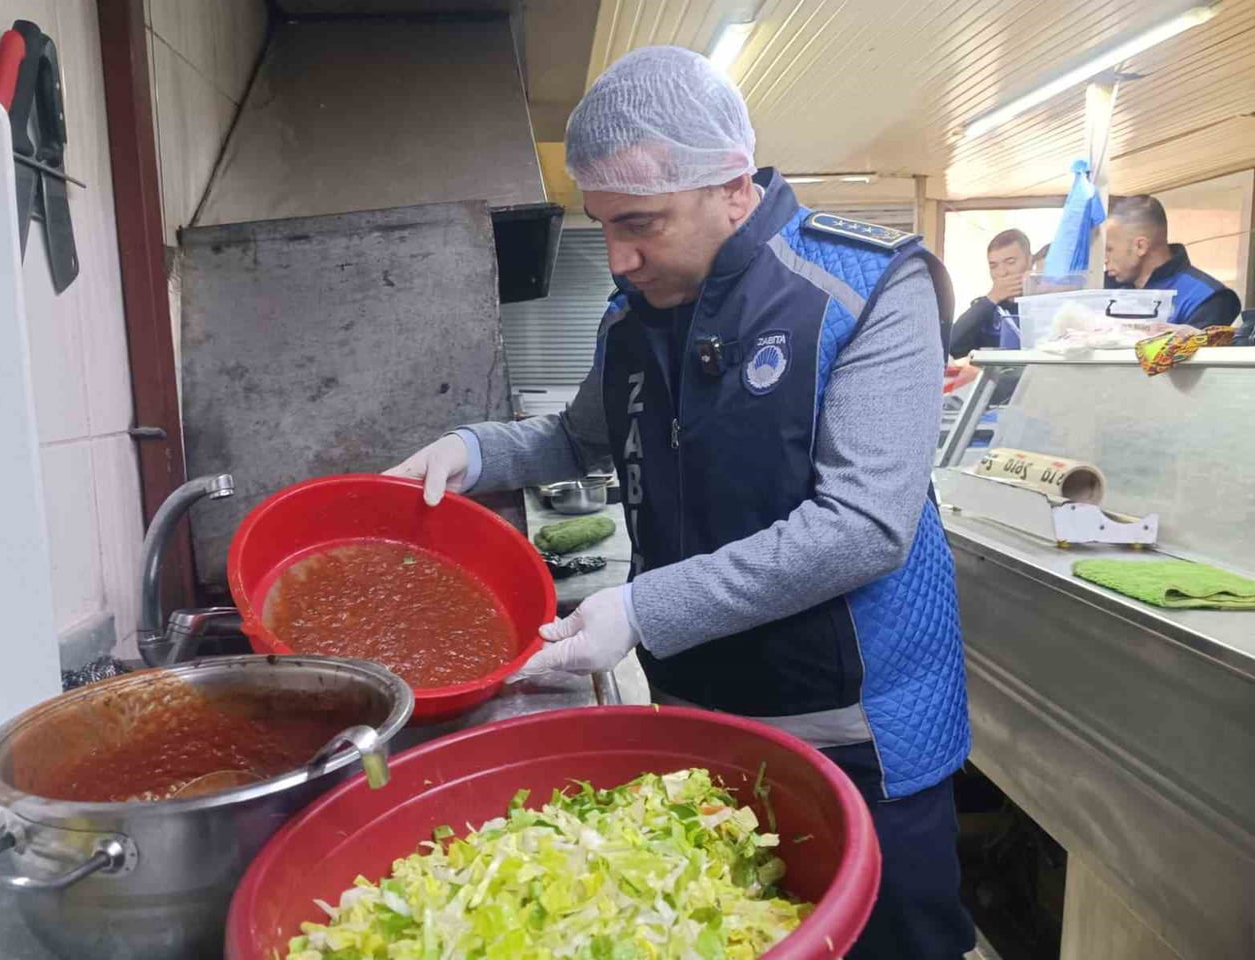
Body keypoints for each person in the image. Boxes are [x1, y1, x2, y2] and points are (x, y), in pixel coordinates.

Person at [388, 46, 974, 960]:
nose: (617, 259)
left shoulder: (867, 290)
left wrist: (640, 607)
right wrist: (473, 449)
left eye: (641, 225)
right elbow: (579, 437)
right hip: (700, 718)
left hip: (855, 736)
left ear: (733, 188)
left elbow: (863, 527)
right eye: (603, 224)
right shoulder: (634, 319)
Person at [1105, 194, 1242, 328]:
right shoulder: (1102, 288)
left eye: (1109, 249)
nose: (1104, 259)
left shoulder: (1209, 298)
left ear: (1140, 246)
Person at [949, 228, 1031, 357]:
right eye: (994, 266)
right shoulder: (986, 308)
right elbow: (953, 347)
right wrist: (991, 299)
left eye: (1010, 262)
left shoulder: (1044, 304)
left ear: (1029, 261)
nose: (1002, 272)